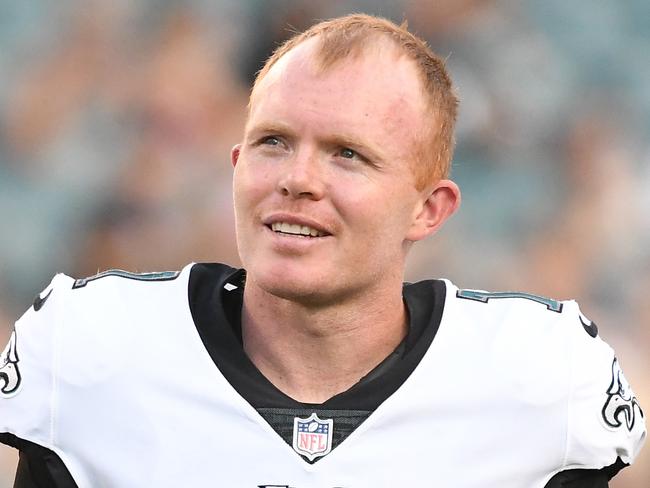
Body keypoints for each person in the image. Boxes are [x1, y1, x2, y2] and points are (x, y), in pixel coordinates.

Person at [0, 13, 645, 488]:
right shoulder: (89, 350)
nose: (298, 178)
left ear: (429, 208)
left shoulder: (540, 375)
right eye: (274, 142)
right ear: (234, 165)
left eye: (348, 154)